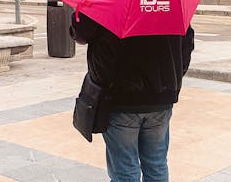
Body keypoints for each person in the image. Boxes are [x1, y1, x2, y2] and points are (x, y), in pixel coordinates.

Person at [70, 12, 194, 182]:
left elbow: (81, 34)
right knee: (156, 164)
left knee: (125, 169)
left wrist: (80, 10)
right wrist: (171, 79)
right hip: (161, 98)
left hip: (120, 97)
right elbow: (186, 44)